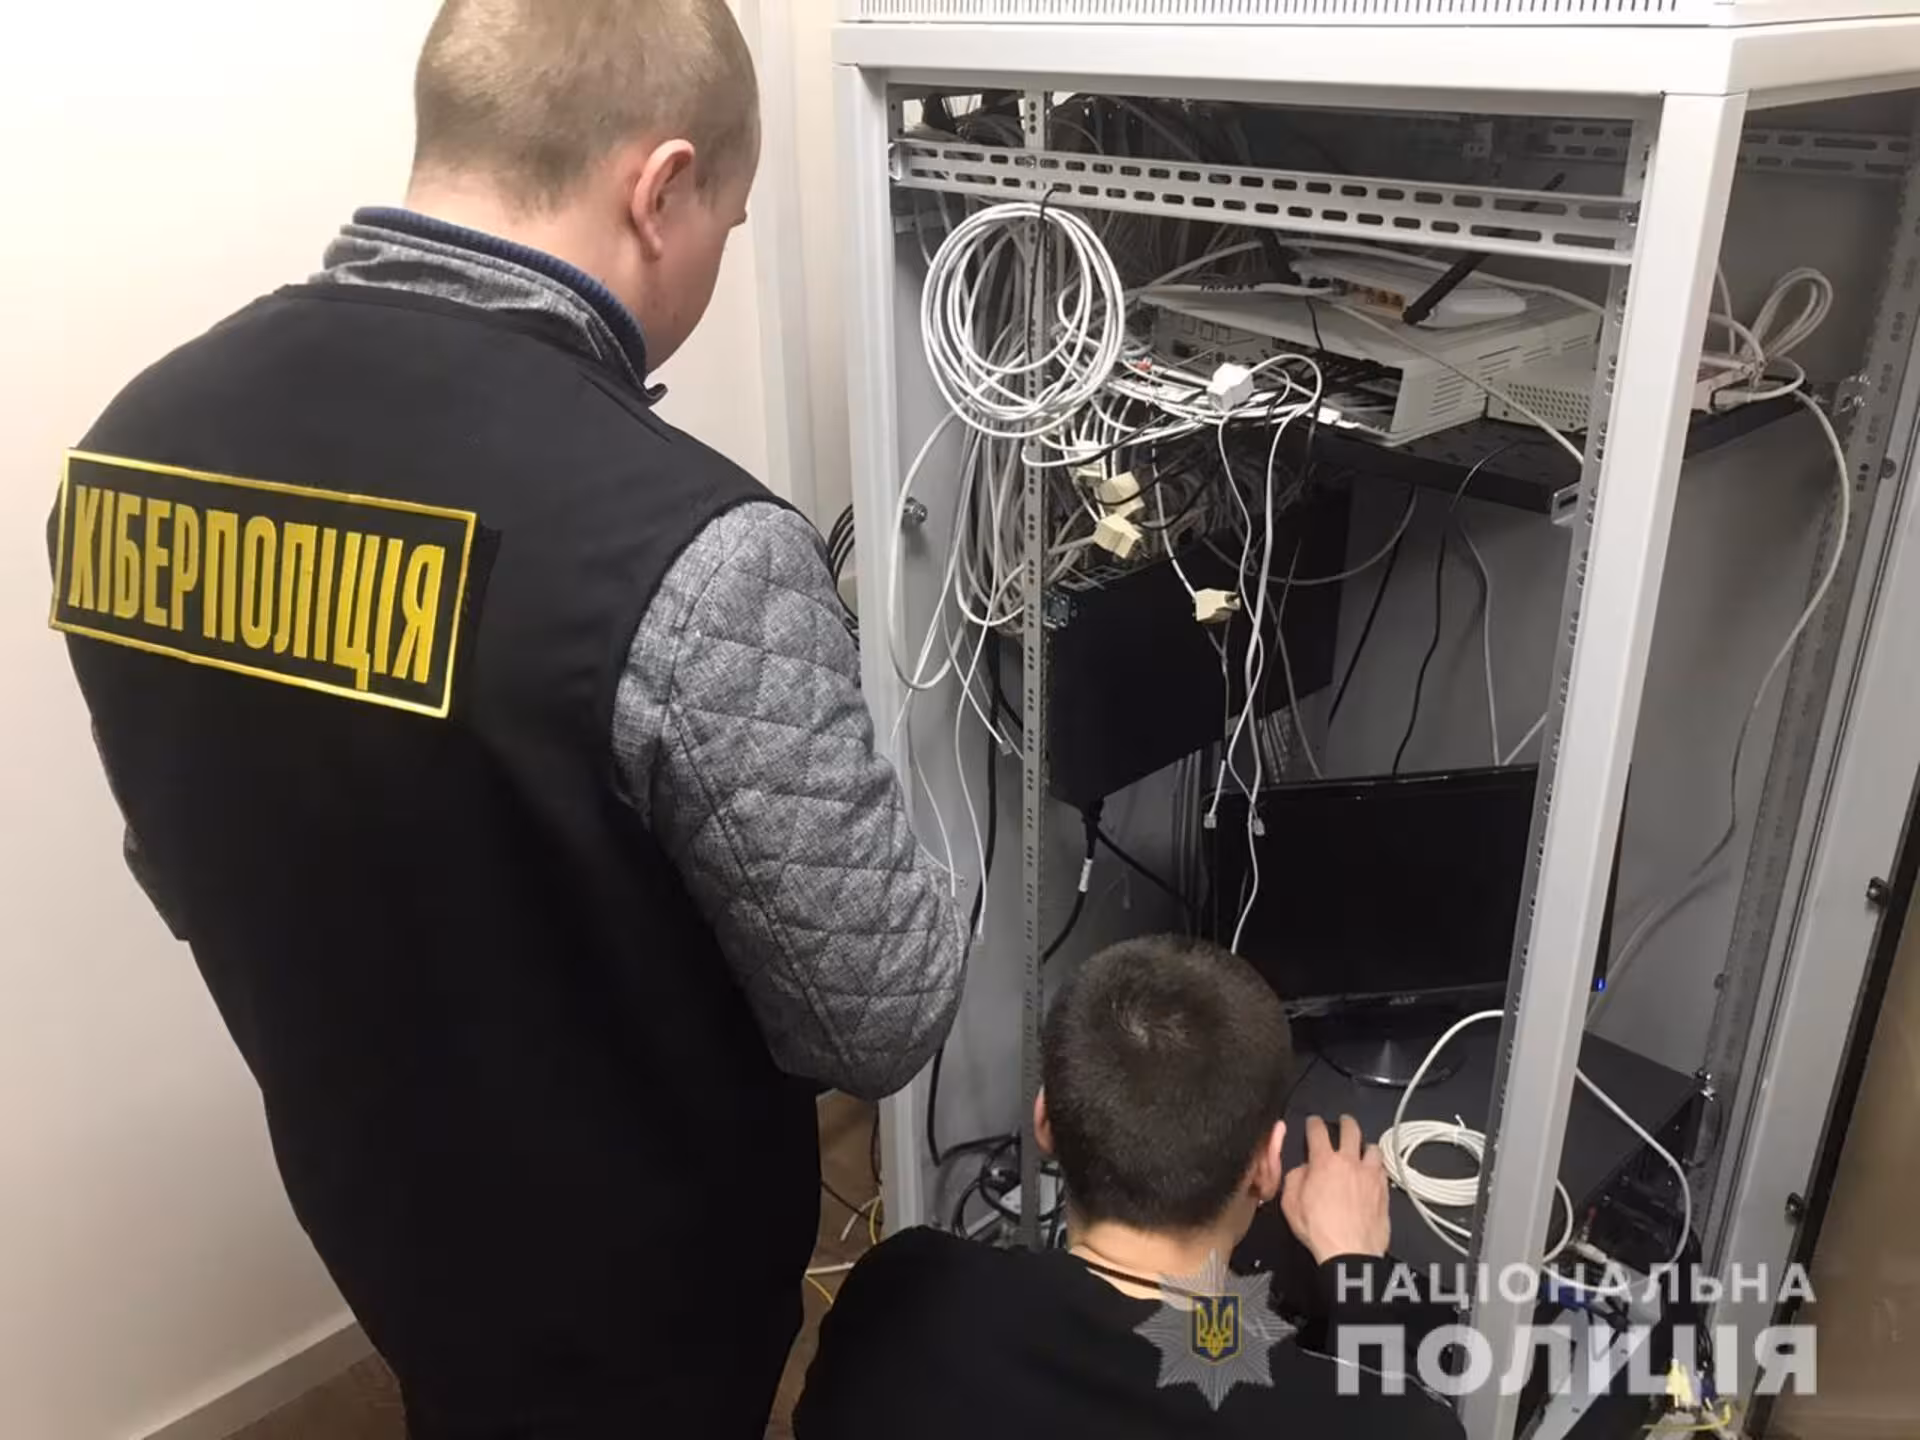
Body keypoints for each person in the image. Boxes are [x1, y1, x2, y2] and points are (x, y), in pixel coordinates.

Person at [48, 2, 963, 1436]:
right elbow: (883, 1015)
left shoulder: (128, 454)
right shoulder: (693, 549)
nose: (718, 260)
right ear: (660, 189)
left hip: (378, 1209)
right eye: (728, 226)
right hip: (647, 1291)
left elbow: (186, 859)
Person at [795, 936, 1463, 1440]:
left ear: (1045, 1123)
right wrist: (1356, 1266)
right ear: (1267, 1164)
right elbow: (1405, 1411)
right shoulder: (1382, 1422)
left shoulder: (896, 1293)